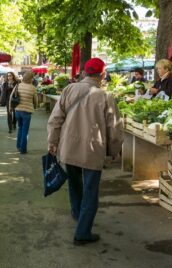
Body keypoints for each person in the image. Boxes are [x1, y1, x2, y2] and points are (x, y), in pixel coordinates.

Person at [47, 58, 124, 246]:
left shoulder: (68, 90)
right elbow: (114, 128)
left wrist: (52, 142)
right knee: (91, 191)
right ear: (103, 75)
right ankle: (82, 232)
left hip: (69, 147)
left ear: (84, 73)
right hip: (92, 149)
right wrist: (114, 150)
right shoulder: (105, 96)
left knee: (74, 183)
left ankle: (77, 212)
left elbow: (55, 118)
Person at [9, 71, 38, 154]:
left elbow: (11, 96)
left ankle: (18, 146)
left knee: (20, 128)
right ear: (30, 79)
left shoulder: (18, 85)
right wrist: (35, 107)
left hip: (18, 110)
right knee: (25, 130)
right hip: (27, 112)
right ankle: (23, 149)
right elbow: (35, 100)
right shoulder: (33, 88)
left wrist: (10, 107)